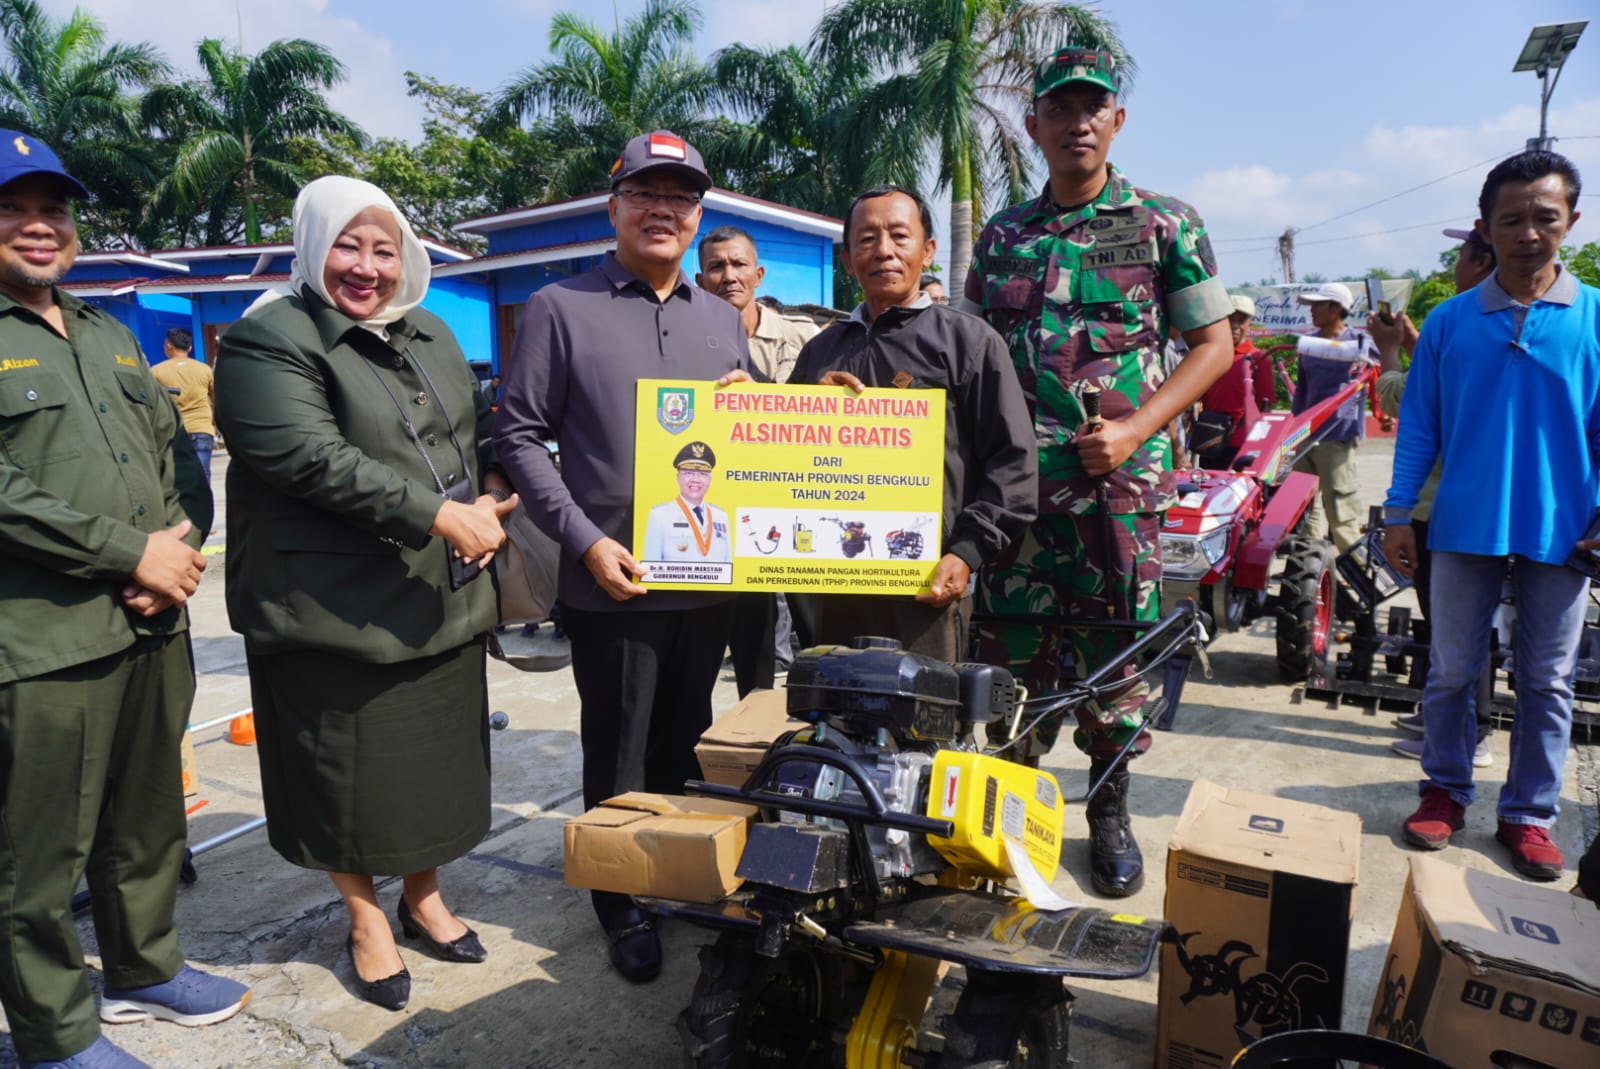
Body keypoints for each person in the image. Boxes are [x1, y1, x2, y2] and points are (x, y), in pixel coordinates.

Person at [216, 176, 516, 1011]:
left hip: (436, 595)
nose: (368, 267)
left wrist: (492, 482)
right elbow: (307, 456)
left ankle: (423, 895)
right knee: (343, 775)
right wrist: (441, 516)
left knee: (432, 768)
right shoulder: (269, 337)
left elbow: (471, 427)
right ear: (313, 245)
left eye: (385, 249)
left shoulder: (429, 330)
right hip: (331, 606)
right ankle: (365, 917)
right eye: (348, 246)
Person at [961, 44, 1233, 898]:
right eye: (1060, 108)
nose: (1077, 122)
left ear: (1117, 120)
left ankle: (1108, 809)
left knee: (1116, 658)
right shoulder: (1003, 235)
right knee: (1011, 650)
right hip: (1015, 495)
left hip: (1118, 492)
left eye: (1093, 107)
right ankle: (1015, 814)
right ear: (1034, 124)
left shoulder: (1165, 224)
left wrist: (1136, 429)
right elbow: (968, 355)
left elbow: (1215, 346)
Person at [0, 131, 247, 1069]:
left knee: (146, 820)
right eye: (12, 210)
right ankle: (55, 1034)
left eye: (52, 209)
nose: (38, 226)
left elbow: (178, 456)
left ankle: (143, 967)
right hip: (45, 638)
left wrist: (178, 545)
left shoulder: (106, 332)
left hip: (154, 621)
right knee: (37, 852)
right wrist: (127, 554)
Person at [493, 131, 751, 983]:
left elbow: (743, 443)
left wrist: (759, 408)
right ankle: (619, 896)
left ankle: (672, 874)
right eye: (645, 193)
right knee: (619, 750)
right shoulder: (560, 307)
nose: (662, 210)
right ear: (614, 207)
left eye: (680, 197)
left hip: (707, 582)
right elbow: (520, 437)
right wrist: (585, 539)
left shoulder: (722, 317)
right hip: (613, 582)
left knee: (687, 740)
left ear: (698, 215)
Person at [1383, 150, 1599, 882]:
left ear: (1572, 220)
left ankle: (1529, 813)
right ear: (1485, 226)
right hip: (1463, 523)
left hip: (1566, 529)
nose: (1528, 234)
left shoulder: (1595, 316)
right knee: (1451, 669)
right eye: (1510, 220)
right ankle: (1444, 788)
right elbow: (1420, 427)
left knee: (1548, 680)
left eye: (1544, 217)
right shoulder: (1449, 322)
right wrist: (1397, 513)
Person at [789, 185, 1036, 662]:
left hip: (928, 588)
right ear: (847, 260)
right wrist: (799, 403)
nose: (884, 250)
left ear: (928, 251)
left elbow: (1013, 465)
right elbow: (778, 461)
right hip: (835, 586)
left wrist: (966, 553)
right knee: (835, 702)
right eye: (866, 239)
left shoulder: (968, 343)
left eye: (899, 236)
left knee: (925, 705)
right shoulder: (820, 351)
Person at [1371, 227, 1498, 769]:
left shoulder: (1476, 321)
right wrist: (1413, 340)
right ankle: (1448, 721)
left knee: (1459, 628)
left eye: (1462, 255)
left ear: (1482, 263)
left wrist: (1388, 352)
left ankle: (1470, 734)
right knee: (1457, 626)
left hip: (1444, 506)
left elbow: (1409, 399)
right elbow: (1442, 371)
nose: (1454, 266)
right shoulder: (1474, 321)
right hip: (1457, 504)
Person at [695, 225, 815, 692]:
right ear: (700, 279)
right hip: (730, 511)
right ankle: (750, 726)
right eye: (716, 267)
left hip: (802, 506)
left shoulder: (803, 336)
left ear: (758, 274)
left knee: (819, 638)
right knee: (753, 649)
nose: (729, 275)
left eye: (739, 264)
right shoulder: (686, 340)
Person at [1290, 281, 1376, 554]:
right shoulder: (1309, 344)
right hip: (1306, 435)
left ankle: (1356, 568)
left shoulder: (1360, 343)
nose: (1312, 310)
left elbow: (1378, 374)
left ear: (1337, 308)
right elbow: (1302, 390)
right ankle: (1308, 565)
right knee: (1304, 508)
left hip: (1337, 436)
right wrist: (1295, 429)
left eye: (1318, 305)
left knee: (1340, 507)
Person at [1193, 295, 1273, 468]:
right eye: (1230, 318)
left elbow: (1266, 406)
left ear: (1250, 323)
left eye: (1241, 320)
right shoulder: (1209, 356)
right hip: (1209, 439)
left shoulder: (1258, 359)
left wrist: (1261, 444)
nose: (1235, 325)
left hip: (1241, 442)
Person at [640, 441, 732, 566]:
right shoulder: (659, 515)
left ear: (709, 480)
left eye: (703, 474)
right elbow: (650, 566)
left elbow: (728, 564)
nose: (695, 480)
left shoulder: (720, 516)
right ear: (678, 477)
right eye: (688, 473)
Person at [149, 328, 216, 481]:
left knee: (178, 480)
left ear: (168, 346)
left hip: (174, 432)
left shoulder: (156, 372)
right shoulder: (204, 370)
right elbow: (216, 400)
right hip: (202, 429)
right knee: (202, 476)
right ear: (190, 348)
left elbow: (151, 404)